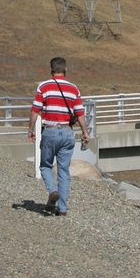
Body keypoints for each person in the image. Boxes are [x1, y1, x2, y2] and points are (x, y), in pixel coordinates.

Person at [27, 57, 89, 216]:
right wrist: (85, 132)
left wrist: (31, 129)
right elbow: (80, 114)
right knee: (64, 170)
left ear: (51, 70)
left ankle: (53, 191)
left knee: (45, 166)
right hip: (68, 132)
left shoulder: (44, 86)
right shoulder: (74, 89)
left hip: (50, 130)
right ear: (65, 70)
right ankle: (62, 208)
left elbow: (35, 110)